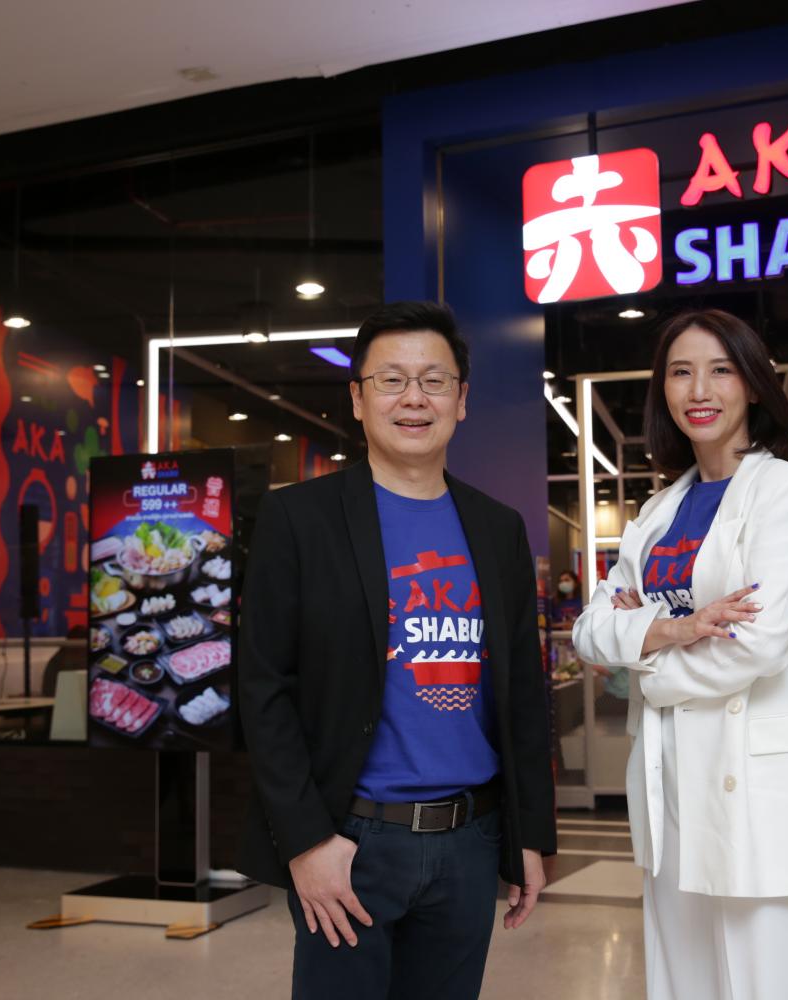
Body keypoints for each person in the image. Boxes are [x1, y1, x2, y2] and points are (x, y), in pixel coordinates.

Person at [238, 301, 555, 1000]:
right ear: (357, 397)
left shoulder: (497, 530)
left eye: (435, 381)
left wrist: (530, 834)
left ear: (462, 400)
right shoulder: (299, 520)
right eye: (391, 380)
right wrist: (306, 843)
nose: (414, 398)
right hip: (349, 843)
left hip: (469, 843)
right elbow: (262, 689)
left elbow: (522, 695)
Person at [572, 308, 788, 1000]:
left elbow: (752, 646)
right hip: (670, 790)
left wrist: (644, 661)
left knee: (768, 987)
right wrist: (679, 628)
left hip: (756, 789)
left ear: (753, 386)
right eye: (680, 372)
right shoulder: (658, 511)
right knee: (681, 986)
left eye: (720, 370)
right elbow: (589, 631)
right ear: (663, 391)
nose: (699, 388)